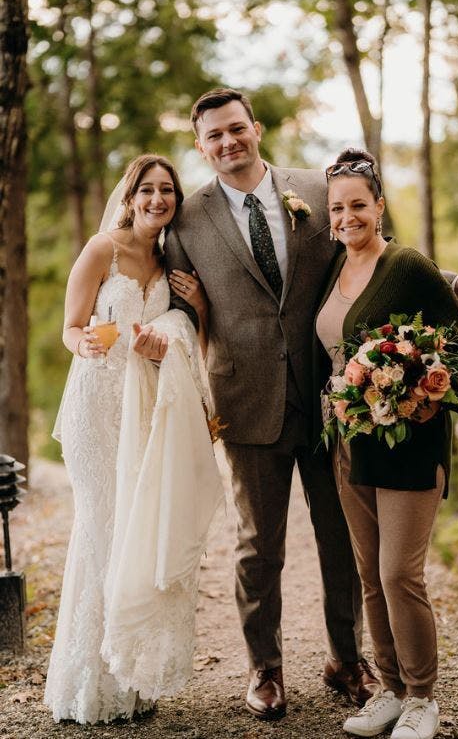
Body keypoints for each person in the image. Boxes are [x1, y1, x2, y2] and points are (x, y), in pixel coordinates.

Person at [164, 87, 458, 721]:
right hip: (246, 399)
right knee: (257, 546)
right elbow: (177, 309)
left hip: (335, 405)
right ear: (199, 144)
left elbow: (383, 262)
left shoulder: (318, 190)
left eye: (236, 128)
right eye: (213, 135)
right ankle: (265, 668)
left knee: (344, 545)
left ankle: (349, 662)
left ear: (256, 128)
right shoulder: (186, 220)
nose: (227, 142)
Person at [45, 154, 223, 724]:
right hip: (96, 409)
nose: (157, 199)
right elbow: (71, 328)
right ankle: (87, 684)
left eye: (167, 190)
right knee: (101, 532)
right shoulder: (102, 249)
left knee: (137, 534)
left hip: (146, 413)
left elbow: (190, 333)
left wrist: (186, 314)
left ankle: (132, 679)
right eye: (146, 189)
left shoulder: (174, 260)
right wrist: (86, 344)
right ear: (129, 195)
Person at [315, 148, 458, 739]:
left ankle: (421, 698)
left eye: (358, 204)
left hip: (409, 447)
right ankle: (386, 691)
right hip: (350, 447)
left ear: (379, 206)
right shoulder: (330, 270)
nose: (346, 217)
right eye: (337, 207)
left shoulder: (407, 265)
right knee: (368, 575)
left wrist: (423, 394)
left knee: (397, 576)